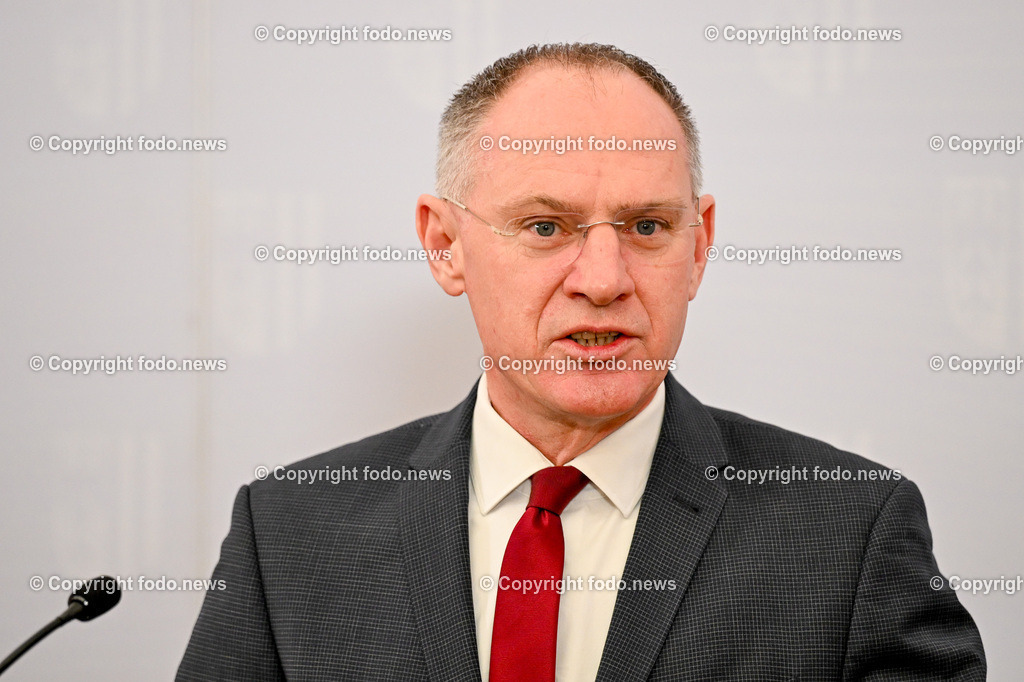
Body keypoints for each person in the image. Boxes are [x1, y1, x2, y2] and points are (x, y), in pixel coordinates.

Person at [177, 43, 985, 681]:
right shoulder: (289, 533)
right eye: (545, 227)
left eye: (646, 228)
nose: (603, 280)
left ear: (699, 245)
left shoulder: (849, 536)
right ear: (445, 244)